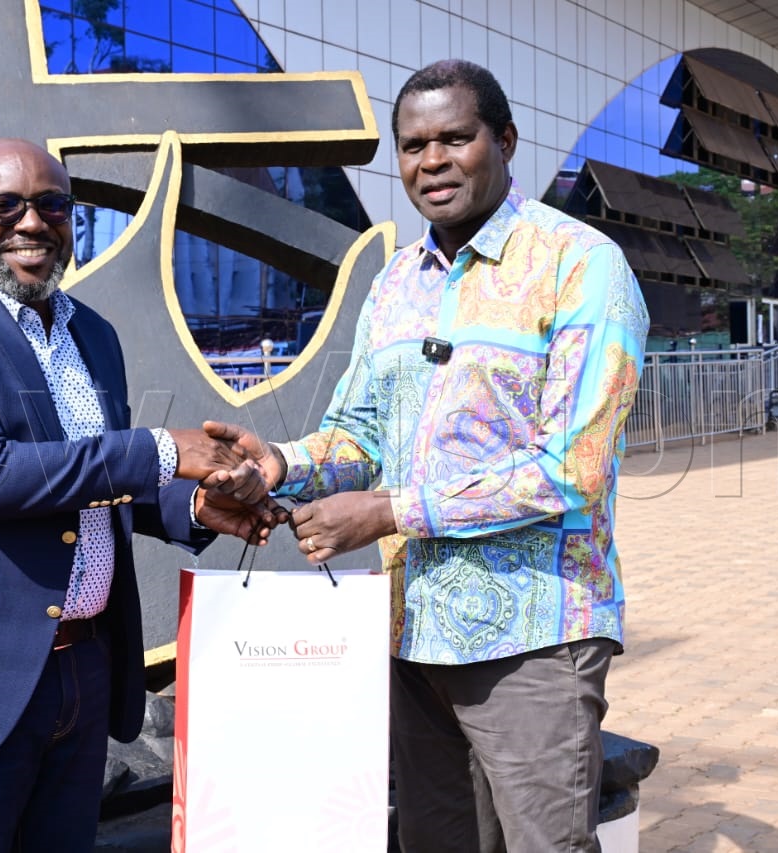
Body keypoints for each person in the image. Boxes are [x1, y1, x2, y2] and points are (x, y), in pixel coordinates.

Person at [208, 60, 649, 852]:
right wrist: (277, 463)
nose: (433, 161)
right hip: (411, 635)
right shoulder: (394, 285)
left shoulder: (581, 265)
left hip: (534, 639)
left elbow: (572, 468)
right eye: (414, 146)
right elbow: (359, 434)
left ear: (505, 141)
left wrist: (388, 510)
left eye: (455, 138)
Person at [0, 138, 278, 852]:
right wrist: (164, 451)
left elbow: (92, 480)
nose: (31, 222)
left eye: (52, 204)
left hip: (84, 666)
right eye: (4, 205)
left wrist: (198, 504)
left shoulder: (92, 333)